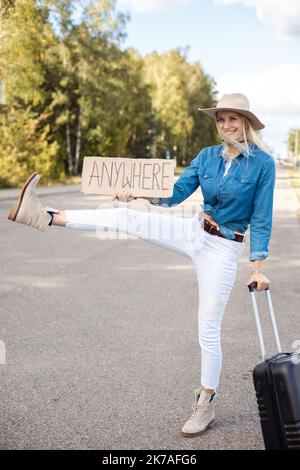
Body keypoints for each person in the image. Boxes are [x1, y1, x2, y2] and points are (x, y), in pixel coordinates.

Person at [8, 93, 275, 438]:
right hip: (194, 230)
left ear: (247, 123)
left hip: (223, 248)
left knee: (207, 327)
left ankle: (205, 403)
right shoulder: (207, 156)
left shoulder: (262, 164)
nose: (225, 125)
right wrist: (137, 194)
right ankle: (41, 216)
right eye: (220, 119)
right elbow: (175, 192)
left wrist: (257, 267)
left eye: (232, 119)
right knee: (125, 216)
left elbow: (262, 216)